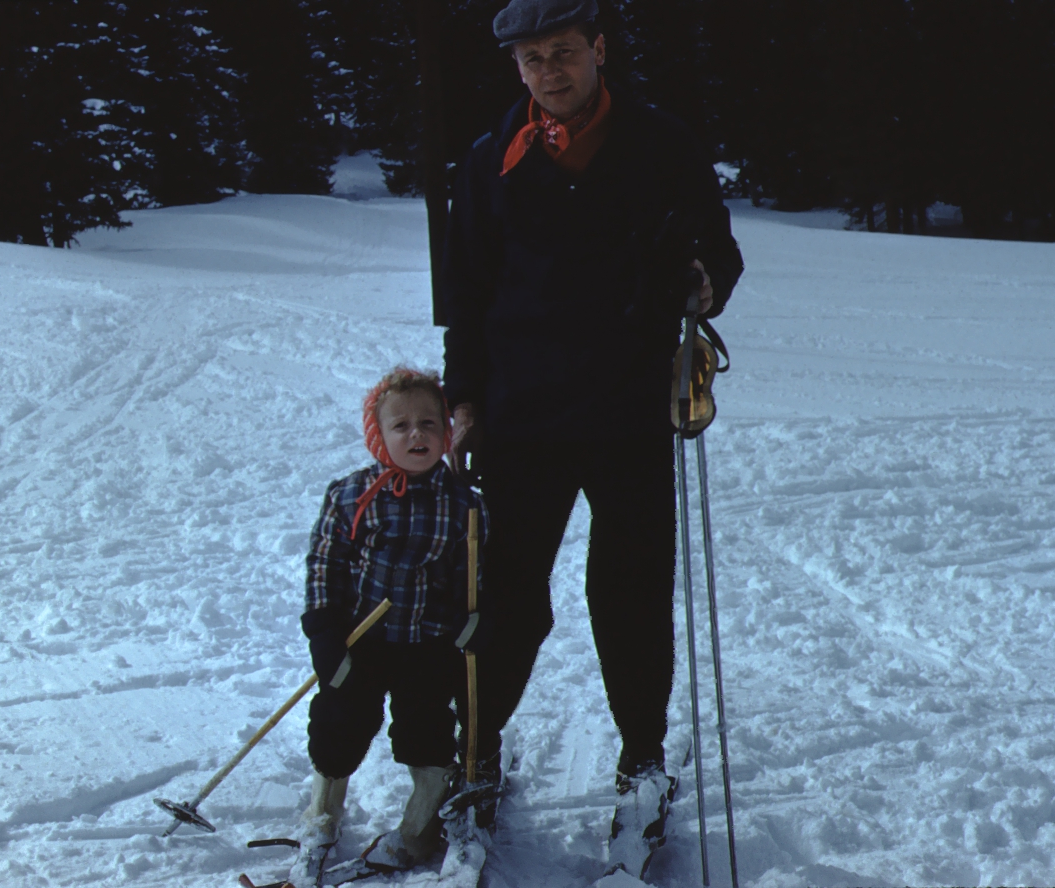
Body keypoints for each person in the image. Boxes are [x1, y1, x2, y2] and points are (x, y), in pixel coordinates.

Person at [440, 0, 743, 854]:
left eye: (562, 53)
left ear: (598, 49)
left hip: (629, 409)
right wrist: (465, 397)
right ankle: (477, 752)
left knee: (631, 592)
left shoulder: (662, 143)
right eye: (531, 59)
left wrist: (702, 282)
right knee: (505, 597)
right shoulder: (487, 161)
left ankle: (642, 762)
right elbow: (465, 294)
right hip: (521, 415)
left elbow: (719, 250)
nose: (547, 72)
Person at [297, 367, 487, 871]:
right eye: (400, 426)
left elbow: (476, 570)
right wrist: (323, 628)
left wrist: (474, 616)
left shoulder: (464, 503)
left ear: (447, 432)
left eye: (429, 423)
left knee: (426, 732)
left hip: (427, 644)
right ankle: (321, 813)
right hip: (363, 640)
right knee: (339, 724)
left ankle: (419, 829)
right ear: (377, 436)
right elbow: (325, 563)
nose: (417, 434)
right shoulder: (350, 496)